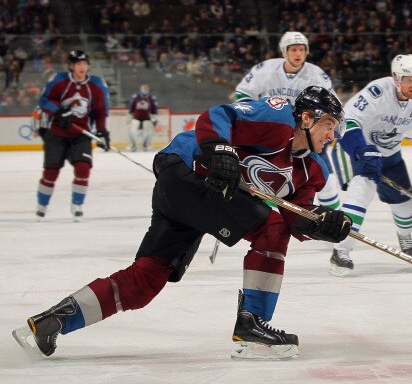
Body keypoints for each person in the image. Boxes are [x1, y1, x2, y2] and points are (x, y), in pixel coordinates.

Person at [13, 86, 352, 361]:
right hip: (188, 173)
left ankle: (50, 322)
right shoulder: (278, 119)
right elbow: (217, 115)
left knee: (145, 279)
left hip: (192, 196)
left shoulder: (315, 169)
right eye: (329, 126)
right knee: (269, 228)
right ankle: (252, 325)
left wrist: (321, 225)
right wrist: (219, 148)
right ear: (307, 118)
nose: (332, 136)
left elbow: (296, 216)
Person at [329, 54, 412, 276]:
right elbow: (348, 122)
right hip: (360, 150)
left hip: (391, 155)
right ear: (396, 78)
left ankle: (405, 235)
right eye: (408, 80)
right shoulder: (377, 93)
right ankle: (341, 250)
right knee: (359, 195)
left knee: (405, 204)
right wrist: (362, 150)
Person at [235, 31, 342, 210]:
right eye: (293, 49)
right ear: (284, 51)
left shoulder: (317, 75)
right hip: (274, 133)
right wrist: (253, 117)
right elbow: (244, 93)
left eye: (302, 49)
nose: (298, 53)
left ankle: (334, 218)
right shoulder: (265, 70)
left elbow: (332, 106)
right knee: (264, 174)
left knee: (325, 176)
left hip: (308, 134)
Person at [35, 50, 111, 222]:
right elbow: (44, 101)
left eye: (84, 63)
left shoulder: (96, 84)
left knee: (83, 168)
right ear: (71, 66)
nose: (82, 67)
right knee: (51, 172)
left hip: (80, 134)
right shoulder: (59, 80)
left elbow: (100, 111)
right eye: (78, 64)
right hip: (57, 133)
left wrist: (102, 131)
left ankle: (77, 204)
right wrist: (59, 111)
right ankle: (42, 204)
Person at [127, 84, 159, 152]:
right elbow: (131, 105)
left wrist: (154, 116)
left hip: (147, 117)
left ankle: (146, 145)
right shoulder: (136, 96)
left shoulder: (151, 97)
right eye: (143, 88)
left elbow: (154, 107)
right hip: (136, 116)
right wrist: (130, 114)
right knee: (132, 131)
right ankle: (133, 146)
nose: (144, 90)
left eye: (146, 88)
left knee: (149, 132)